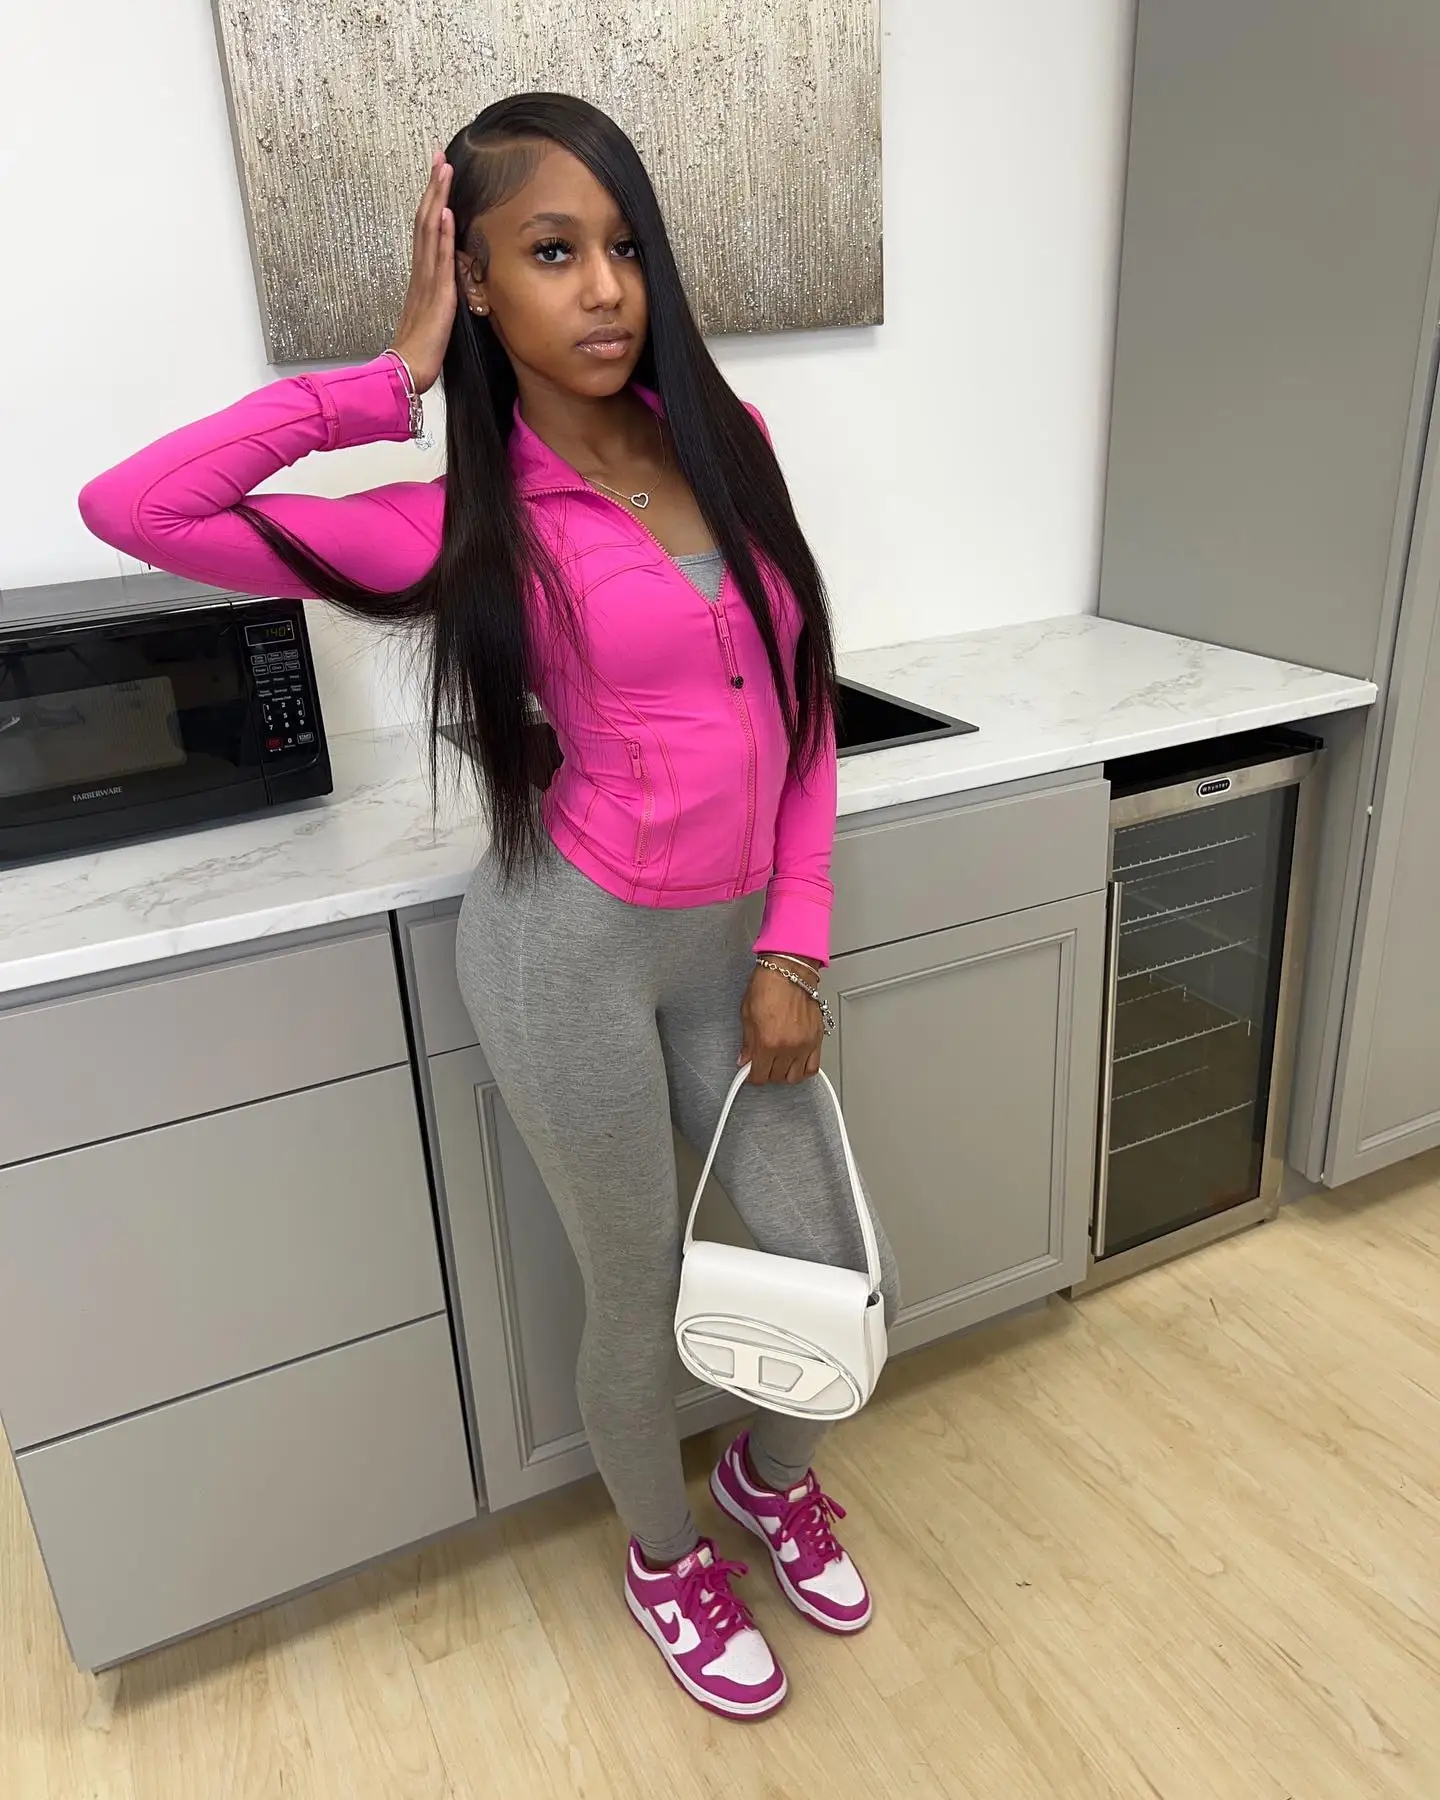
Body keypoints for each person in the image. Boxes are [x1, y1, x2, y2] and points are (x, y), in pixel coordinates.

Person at [78, 92, 899, 1721]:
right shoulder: (462, 525)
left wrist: (794, 941)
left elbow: (805, 705)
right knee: (639, 1286)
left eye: (625, 249)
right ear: (476, 280)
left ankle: (767, 1476)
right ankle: (663, 1556)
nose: (603, 289)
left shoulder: (727, 444)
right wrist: (388, 377)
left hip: (741, 948)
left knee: (828, 1259)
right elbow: (138, 509)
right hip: (568, 954)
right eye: (551, 251)